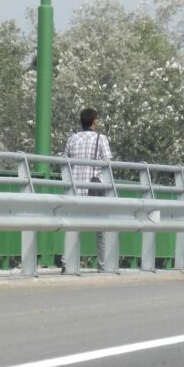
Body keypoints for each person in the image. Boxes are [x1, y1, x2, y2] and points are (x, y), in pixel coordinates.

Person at [63, 108, 113, 273]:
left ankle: (67, 263)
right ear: (94, 121)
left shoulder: (72, 139)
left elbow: (65, 161)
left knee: (72, 227)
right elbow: (108, 163)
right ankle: (102, 265)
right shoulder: (101, 138)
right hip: (94, 189)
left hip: (75, 188)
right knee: (101, 229)